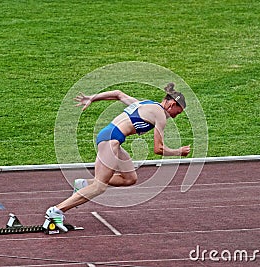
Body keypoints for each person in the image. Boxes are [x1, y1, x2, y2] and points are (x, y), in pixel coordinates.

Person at [46, 83, 190, 231]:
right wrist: (179, 151)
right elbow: (158, 149)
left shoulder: (146, 103)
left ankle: (83, 184)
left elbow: (118, 93)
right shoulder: (160, 115)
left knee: (129, 178)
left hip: (111, 137)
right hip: (111, 140)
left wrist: (93, 98)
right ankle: (56, 210)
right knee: (99, 187)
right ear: (172, 104)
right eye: (177, 113)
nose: (175, 116)